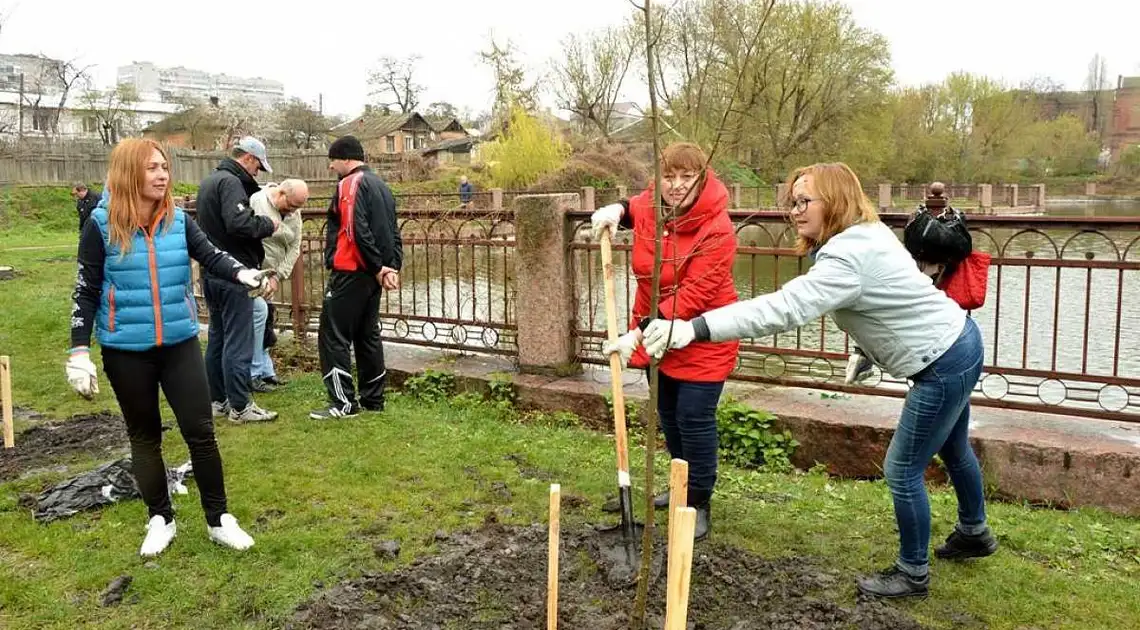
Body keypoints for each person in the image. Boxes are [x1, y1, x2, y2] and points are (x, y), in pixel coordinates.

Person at [639, 162, 996, 599]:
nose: (795, 210)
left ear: (836, 200)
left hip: (941, 361)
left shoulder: (847, 255)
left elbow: (783, 308)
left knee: (902, 469)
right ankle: (974, 533)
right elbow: (889, 298)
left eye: (805, 201)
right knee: (953, 447)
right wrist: (865, 350)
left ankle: (912, 573)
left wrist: (694, 328)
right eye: (792, 202)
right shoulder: (868, 232)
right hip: (958, 342)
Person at [65, 138, 269, 557]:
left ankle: (219, 520)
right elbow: (85, 291)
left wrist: (243, 273)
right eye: (152, 168)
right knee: (145, 437)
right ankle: (161, 518)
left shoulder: (178, 220)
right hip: (126, 350)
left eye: (165, 167)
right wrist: (78, 351)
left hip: (178, 343)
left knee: (202, 433)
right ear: (128, 173)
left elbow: (212, 255)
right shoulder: (100, 225)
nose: (163, 175)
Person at [590, 142, 739, 542]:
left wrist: (636, 334)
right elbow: (635, 205)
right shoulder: (654, 206)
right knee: (668, 411)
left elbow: (693, 296)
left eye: (686, 178)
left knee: (694, 416)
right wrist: (617, 211)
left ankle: (699, 501)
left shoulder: (718, 229)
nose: (674, 186)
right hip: (657, 333)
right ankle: (679, 485)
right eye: (668, 177)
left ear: (702, 178)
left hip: (704, 334)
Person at [311, 135, 402, 420]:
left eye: (333, 160)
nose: (331, 167)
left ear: (346, 158)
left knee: (332, 335)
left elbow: (354, 230)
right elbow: (393, 230)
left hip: (352, 271)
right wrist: (390, 266)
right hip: (372, 275)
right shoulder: (382, 186)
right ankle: (374, 400)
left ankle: (342, 403)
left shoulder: (350, 183)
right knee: (367, 335)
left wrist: (377, 267)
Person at [195, 136, 280, 423]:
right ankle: (241, 407)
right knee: (238, 342)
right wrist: (269, 224)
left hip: (213, 272)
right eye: (258, 166)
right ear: (248, 159)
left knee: (218, 337)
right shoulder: (231, 183)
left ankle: (217, 399)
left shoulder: (210, 181)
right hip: (235, 274)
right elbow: (238, 223)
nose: (257, 173)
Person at [248, 179, 308, 392]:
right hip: (255, 274)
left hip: (273, 275)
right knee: (257, 320)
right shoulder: (257, 201)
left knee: (266, 321)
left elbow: (295, 247)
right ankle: (253, 374)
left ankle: (266, 371)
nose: (293, 212)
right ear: (281, 193)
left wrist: (278, 276)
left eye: (298, 208)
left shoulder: (294, 212)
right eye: (291, 206)